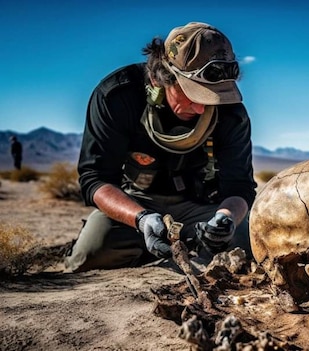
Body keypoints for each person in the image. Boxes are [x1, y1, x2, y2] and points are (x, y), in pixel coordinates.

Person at [65, 22, 256, 272]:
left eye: (213, 96)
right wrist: (141, 219)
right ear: (160, 77)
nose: (202, 107)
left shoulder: (231, 113)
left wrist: (225, 219)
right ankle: (152, 244)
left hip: (204, 207)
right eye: (194, 93)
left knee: (248, 250)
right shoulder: (117, 96)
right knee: (91, 255)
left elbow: (240, 187)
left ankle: (192, 242)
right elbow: (95, 179)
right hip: (137, 202)